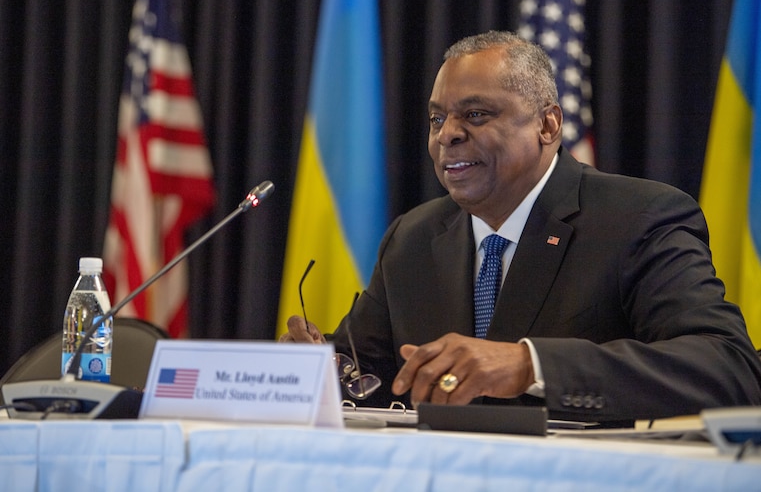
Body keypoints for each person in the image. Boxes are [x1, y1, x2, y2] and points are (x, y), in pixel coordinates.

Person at [280, 31, 761, 424]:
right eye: (436, 118)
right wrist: (316, 371)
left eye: (475, 114)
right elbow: (371, 379)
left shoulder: (639, 217)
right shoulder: (413, 238)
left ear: (548, 126)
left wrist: (530, 365)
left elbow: (728, 367)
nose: (447, 134)